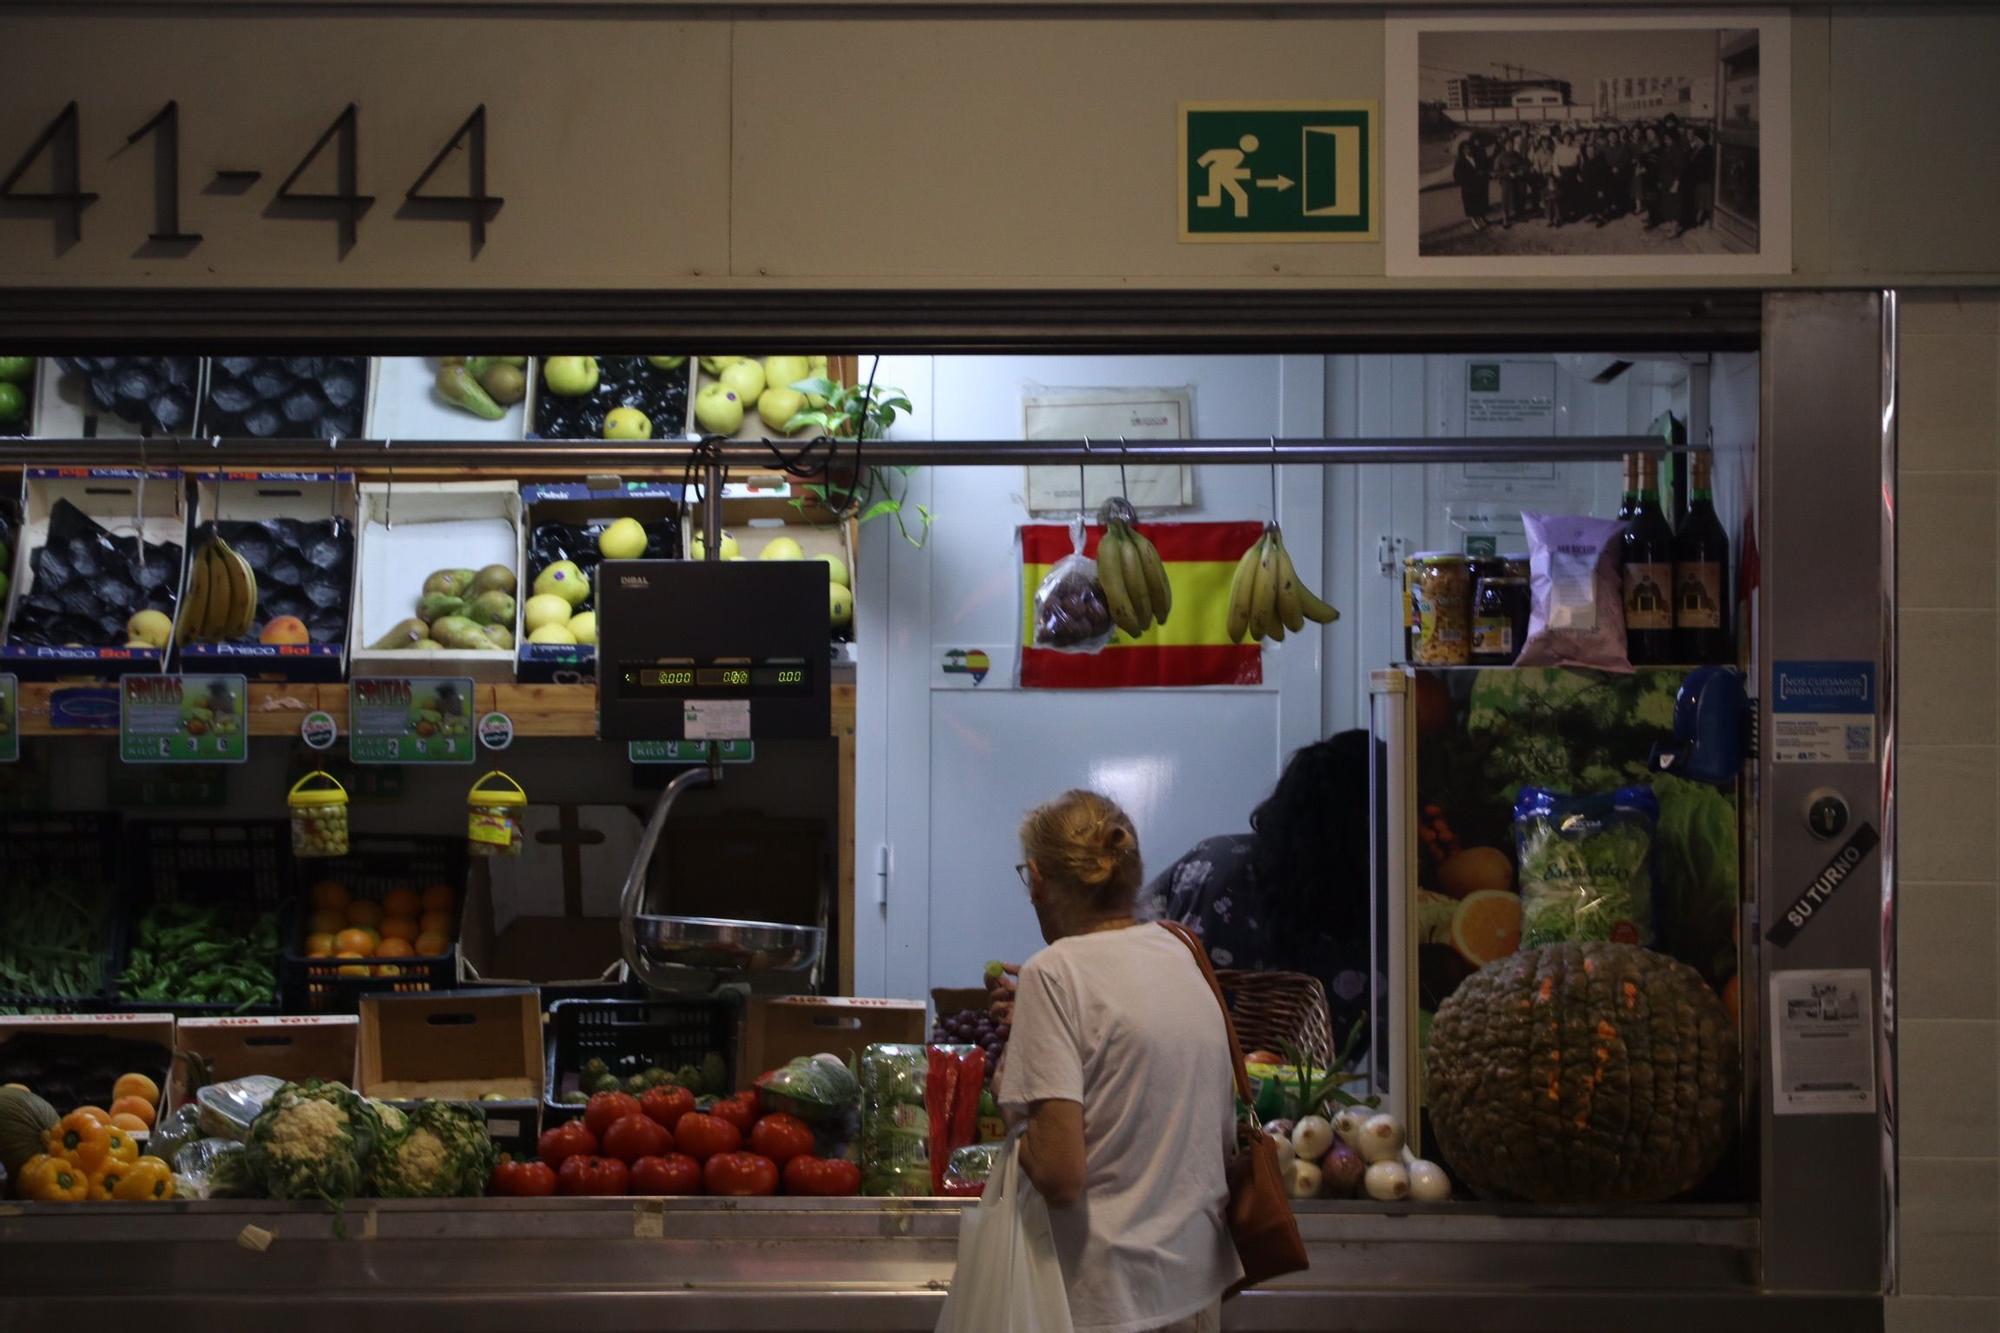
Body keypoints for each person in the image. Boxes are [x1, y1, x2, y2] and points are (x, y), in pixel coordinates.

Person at [999, 789, 1241, 1333]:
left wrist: (1010, 1101)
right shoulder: (1181, 951)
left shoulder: (1052, 973)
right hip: (1195, 1285)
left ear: (1037, 880)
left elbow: (1061, 1177)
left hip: (1107, 1302)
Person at [1137, 732, 1373, 1044]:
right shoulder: (1374, 909)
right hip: (1301, 1089)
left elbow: (1127, 942)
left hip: (1174, 1064)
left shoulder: (1212, 861)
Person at [1452, 138, 1490, 232]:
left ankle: (1482, 218)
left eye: (1469, 148)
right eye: (1465, 149)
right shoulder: (1460, 161)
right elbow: (1457, 176)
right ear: (1462, 151)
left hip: (1478, 185)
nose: (1468, 150)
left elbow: (1482, 168)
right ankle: (1474, 222)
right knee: (1471, 205)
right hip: (1468, 187)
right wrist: (1470, 177)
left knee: (1480, 202)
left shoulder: (1476, 157)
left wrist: (1482, 173)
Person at [1493, 133, 1529, 228]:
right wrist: (1507, 173)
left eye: (1511, 143)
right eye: (1508, 144)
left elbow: (1524, 164)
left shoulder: (1517, 155)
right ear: (1504, 145)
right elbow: (1496, 171)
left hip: (1518, 178)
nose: (1510, 145)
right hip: (1506, 179)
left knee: (1521, 190)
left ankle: (1520, 213)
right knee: (1507, 195)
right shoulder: (1500, 157)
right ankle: (1505, 217)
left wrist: (1521, 170)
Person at [1550, 129, 1582, 227]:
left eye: (1569, 138)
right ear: (1563, 139)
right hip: (1562, 173)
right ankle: (1560, 217)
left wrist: (1579, 173)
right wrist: (1558, 174)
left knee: (1572, 194)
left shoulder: (1576, 148)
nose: (1567, 140)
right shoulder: (1559, 148)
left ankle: (1571, 214)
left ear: (1572, 139)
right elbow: (1554, 163)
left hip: (1573, 173)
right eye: (1565, 138)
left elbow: (1581, 162)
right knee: (1561, 195)